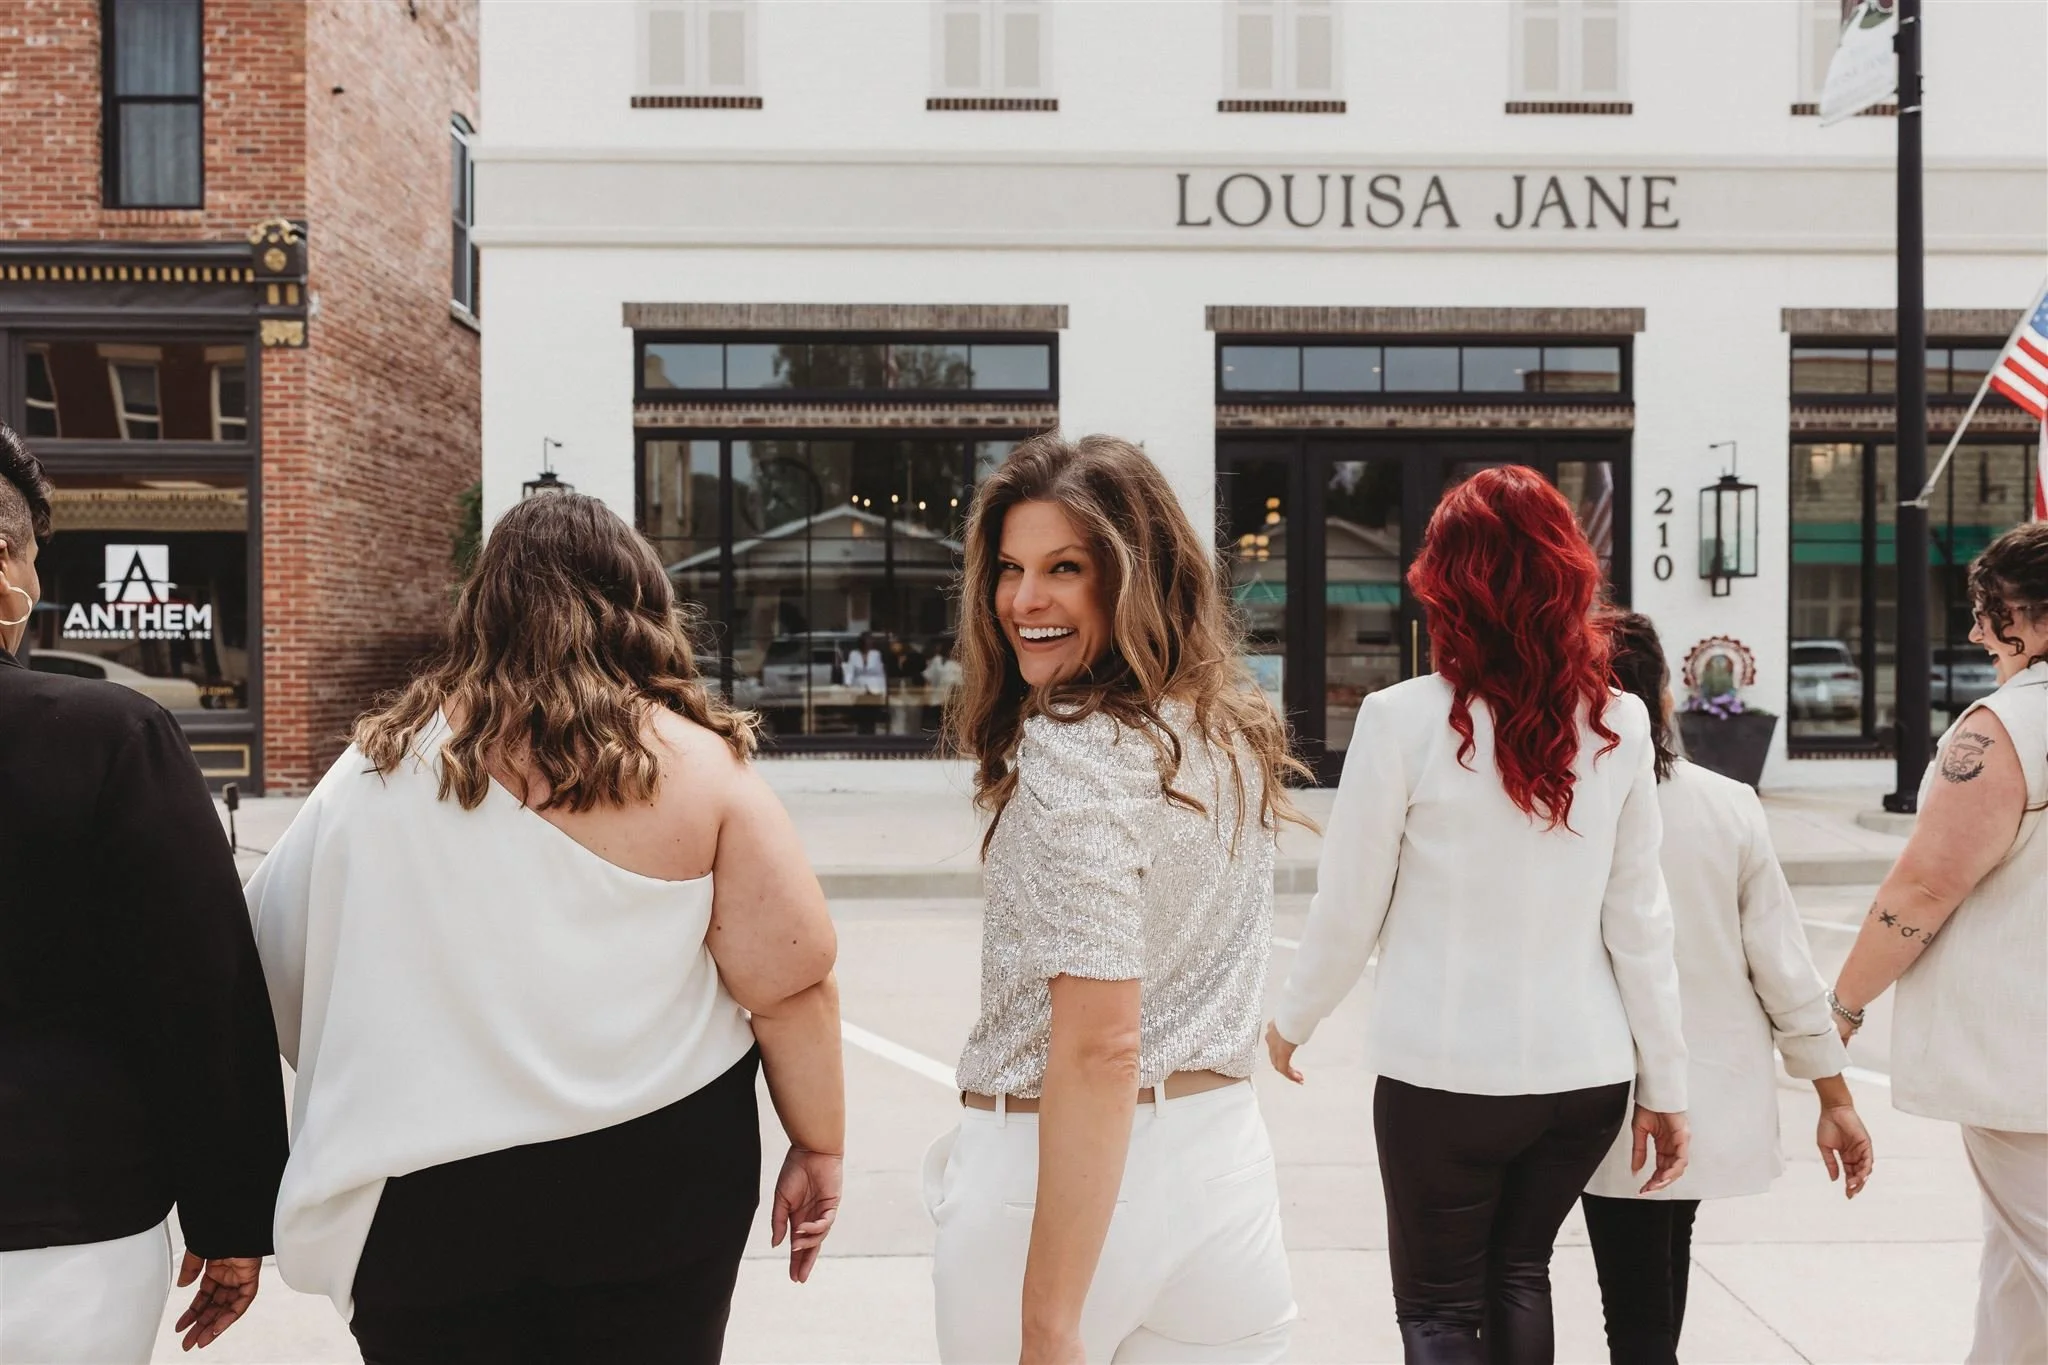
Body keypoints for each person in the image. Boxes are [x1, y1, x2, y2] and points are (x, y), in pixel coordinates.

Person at [244, 491, 844, 1364]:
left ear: (483, 606)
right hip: (657, 1185)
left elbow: (274, 957)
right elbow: (793, 983)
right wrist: (820, 1142)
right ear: (640, 603)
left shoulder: (374, 768)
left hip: (427, 1201)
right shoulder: (699, 769)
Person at [1266, 466, 1691, 1365]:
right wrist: (1666, 1086)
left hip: (1444, 1074)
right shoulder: (1618, 721)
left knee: (1437, 1306)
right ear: (1570, 580)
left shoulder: (1400, 720)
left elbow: (1348, 906)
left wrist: (1291, 1020)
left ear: (1444, 586)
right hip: (1585, 1077)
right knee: (1518, 1272)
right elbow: (1641, 925)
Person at [926, 433, 1308, 1363]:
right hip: (1222, 1174)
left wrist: (1051, 1321)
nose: (1024, 600)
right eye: (1010, 569)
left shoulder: (1074, 746)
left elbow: (1100, 1040)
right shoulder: (1226, 732)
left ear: (1138, 577)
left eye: (1065, 568)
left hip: (1056, 1183)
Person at [0, 422, 289, 1361]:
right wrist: (232, 1208)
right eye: (33, 560)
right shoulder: (107, 738)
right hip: (62, 1228)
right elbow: (199, 990)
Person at [1579, 610, 1874, 1365]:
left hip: (1588, 1093)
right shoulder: (1726, 804)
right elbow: (1782, 963)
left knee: (1635, 1310)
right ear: (1667, 696)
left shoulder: (1557, 807)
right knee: (1656, 1284)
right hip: (1700, 1094)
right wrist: (1835, 1098)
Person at [1829, 521, 2048, 1365]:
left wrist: (1841, 1005)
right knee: (2014, 1282)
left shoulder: (2004, 729)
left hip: (2023, 1061)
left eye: (1985, 613)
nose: (1974, 633)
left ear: (2023, 614)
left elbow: (1924, 888)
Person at [848, 630, 888, 734]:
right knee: (861, 715)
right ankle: (861, 737)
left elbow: (880, 673)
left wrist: (883, 690)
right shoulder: (854, 654)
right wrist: (848, 684)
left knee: (872, 715)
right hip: (859, 688)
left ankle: (871, 737)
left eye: (871, 640)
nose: (870, 642)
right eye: (868, 640)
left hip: (874, 688)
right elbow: (850, 671)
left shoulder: (876, 654)